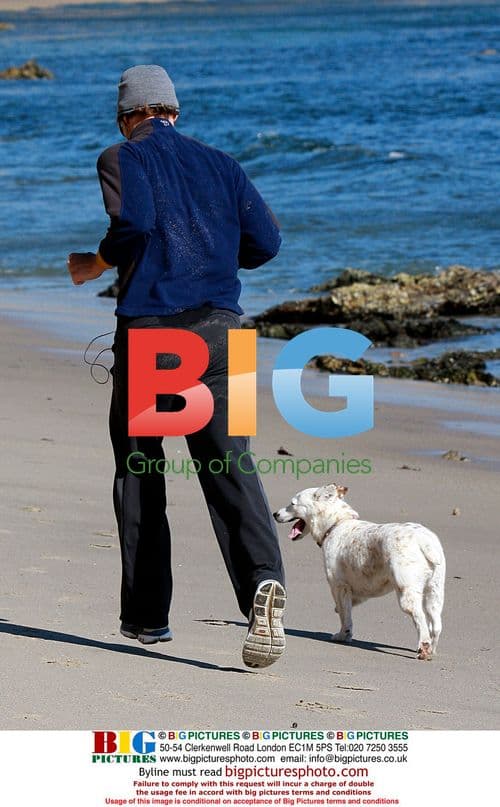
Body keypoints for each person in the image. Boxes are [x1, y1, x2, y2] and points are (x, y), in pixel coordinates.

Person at [68, 64, 286, 668]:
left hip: (157, 336)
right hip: (226, 332)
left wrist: (95, 262)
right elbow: (266, 243)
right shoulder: (223, 163)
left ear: (127, 117)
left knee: (141, 468)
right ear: (174, 111)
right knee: (233, 469)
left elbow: (134, 222)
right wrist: (216, 259)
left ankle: (146, 617)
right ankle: (265, 583)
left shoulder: (122, 157)